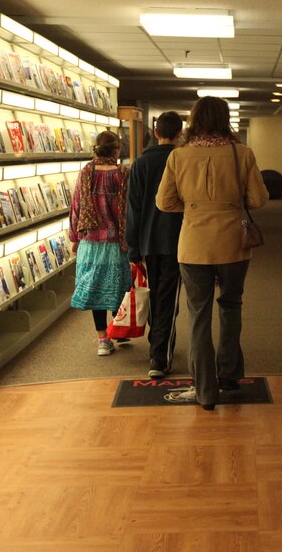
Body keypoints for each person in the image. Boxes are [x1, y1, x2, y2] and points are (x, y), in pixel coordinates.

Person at [155, 97, 268, 410]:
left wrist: (193, 208)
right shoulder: (242, 153)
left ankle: (205, 391)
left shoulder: (178, 156)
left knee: (198, 315)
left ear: (193, 120)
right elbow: (258, 199)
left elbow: (164, 203)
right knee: (231, 306)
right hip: (233, 242)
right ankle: (229, 374)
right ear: (225, 119)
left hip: (193, 244)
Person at [126, 110, 185, 380]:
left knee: (155, 292)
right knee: (167, 298)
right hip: (176, 238)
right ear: (179, 134)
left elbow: (134, 208)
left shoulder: (140, 163)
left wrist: (133, 247)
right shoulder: (181, 160)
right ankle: (159, 357)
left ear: (156, 132)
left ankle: (158, 344)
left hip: (147, 240)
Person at [68, 130, 131, 357]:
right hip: (116, 242)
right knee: (118, 287)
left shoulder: (86, 173)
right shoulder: (123, 174)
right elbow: (129, 210)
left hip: (91, 243)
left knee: (95, 291)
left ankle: (103, 339)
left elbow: (76, 207)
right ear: (116, 150)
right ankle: (119, 329)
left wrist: (75, 237)